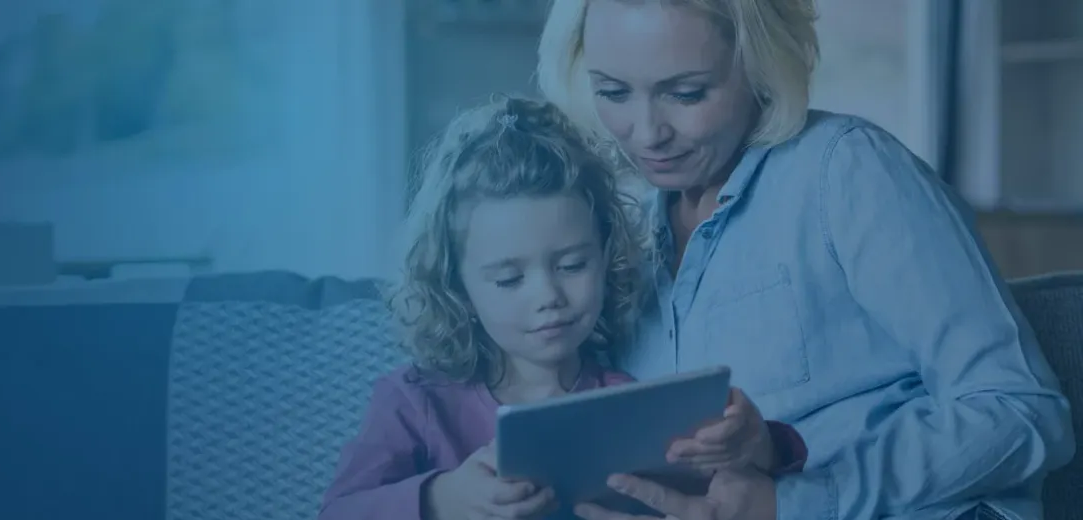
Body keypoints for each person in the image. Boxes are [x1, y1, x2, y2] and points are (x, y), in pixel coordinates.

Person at [533, 1, 1077, 519]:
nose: (647, 133)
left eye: (687, 94)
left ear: (758, 66)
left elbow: (1023, 411)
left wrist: (795, 505)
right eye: (613, 92)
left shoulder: (847, 173)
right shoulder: (617, 242)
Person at [317, 96, 805, 520]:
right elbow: (338, 513)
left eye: (572, 265)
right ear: (457, 287)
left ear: (606, 254)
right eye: (509, 279)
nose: (547, 296)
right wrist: (441, 501)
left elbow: (714, 481)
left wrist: (757, 442)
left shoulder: (627, 401)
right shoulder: (416, 402)